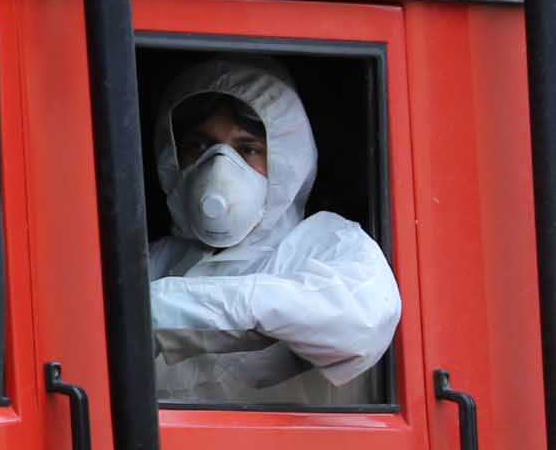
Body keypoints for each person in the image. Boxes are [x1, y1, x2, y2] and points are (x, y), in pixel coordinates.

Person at [147, 56, 401, 405]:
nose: (220, 167)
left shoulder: (328, 245)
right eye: (200, 146)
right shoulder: (155, 262)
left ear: (287, 159)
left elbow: (361, 323)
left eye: (247, 149)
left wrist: (167, 307)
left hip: (296, 444)